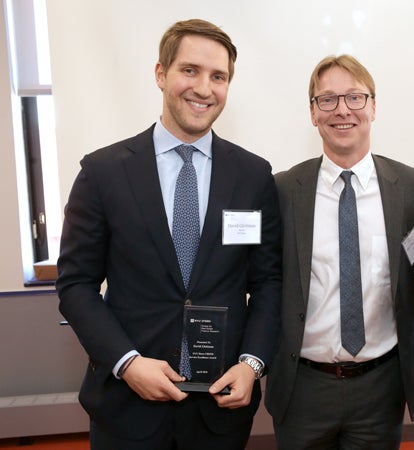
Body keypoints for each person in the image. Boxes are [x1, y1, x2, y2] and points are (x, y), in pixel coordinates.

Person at [56, 19, 282, 449]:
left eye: (219, 77)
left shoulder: (254, 175)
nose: (204, 87)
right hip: (127, 407)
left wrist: (252, 364)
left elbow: (268, 281)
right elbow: (76, 285)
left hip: (219, 408)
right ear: (161, 74)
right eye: (190, 70)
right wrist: (126, 363)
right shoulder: (103, 173)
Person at [264, 54, 414, 449]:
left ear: (373, 107)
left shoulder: (411, 188)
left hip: (382, 386)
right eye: (327, 100)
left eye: (355, 98)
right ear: (312, 113)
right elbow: (267, 279)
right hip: (303, 385)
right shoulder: (284, 190)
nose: (342, 110)